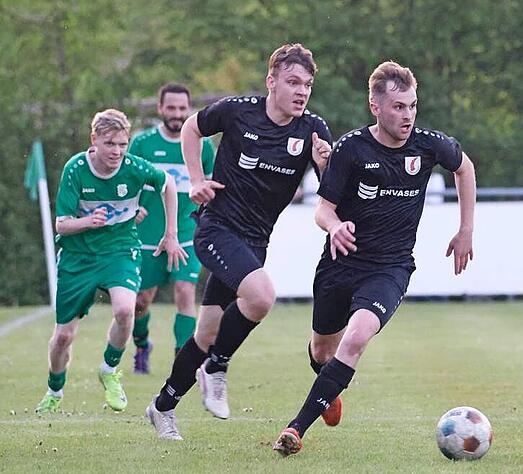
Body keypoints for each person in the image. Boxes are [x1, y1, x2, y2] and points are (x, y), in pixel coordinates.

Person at [273, 60, 477, 456]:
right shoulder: (351, 149)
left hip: (390, 269)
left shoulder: (428, 144)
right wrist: (334, 227)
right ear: (376, 107)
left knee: (357, 337)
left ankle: (295, 429)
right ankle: (328, 387)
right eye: (399, 107)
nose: (408, 115)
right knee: (322, 351)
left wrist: (466, 228)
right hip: (341, 263)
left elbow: (465, 168)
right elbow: (323, 209)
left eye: (413, 106)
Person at [145, 43, 332, 440]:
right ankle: (217, 366)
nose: (301, 91)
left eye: (308, 85)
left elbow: (329, 193)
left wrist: (325, 163)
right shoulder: (238, 110)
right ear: (272, 82)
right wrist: (195, 178)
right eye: (293, 82)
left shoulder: (313, 130)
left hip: (254, 242)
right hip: (216, 229)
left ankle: (162, 407)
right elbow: (193, 127)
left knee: (207, 333)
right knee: (261, 297)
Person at [35, 109, 185, 414]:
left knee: (125, 309)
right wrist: (89, 221)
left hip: (120, 250)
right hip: (78, 256)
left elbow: (168, 184)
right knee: (64, 336)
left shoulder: (133, 167)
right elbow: (61, 224)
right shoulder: (76, 168)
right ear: (94, 140)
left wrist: (171, 233)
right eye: (110, 144)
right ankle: (54, 389)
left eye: (122, 144)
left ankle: (109, 370)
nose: (117, 151)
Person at [129, 83, 216, 374]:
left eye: (182, 108)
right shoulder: (142, 144)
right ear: (160, 108)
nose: (177, 114)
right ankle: (142, 344)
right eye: (172, 108)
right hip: (148, 235)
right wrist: (135, 208)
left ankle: (184, 359)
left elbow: (212, 187)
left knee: (184, 291)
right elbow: (128, 184)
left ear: (188, 109)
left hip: (188, 233)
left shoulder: (202, 146)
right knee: (141, 300)